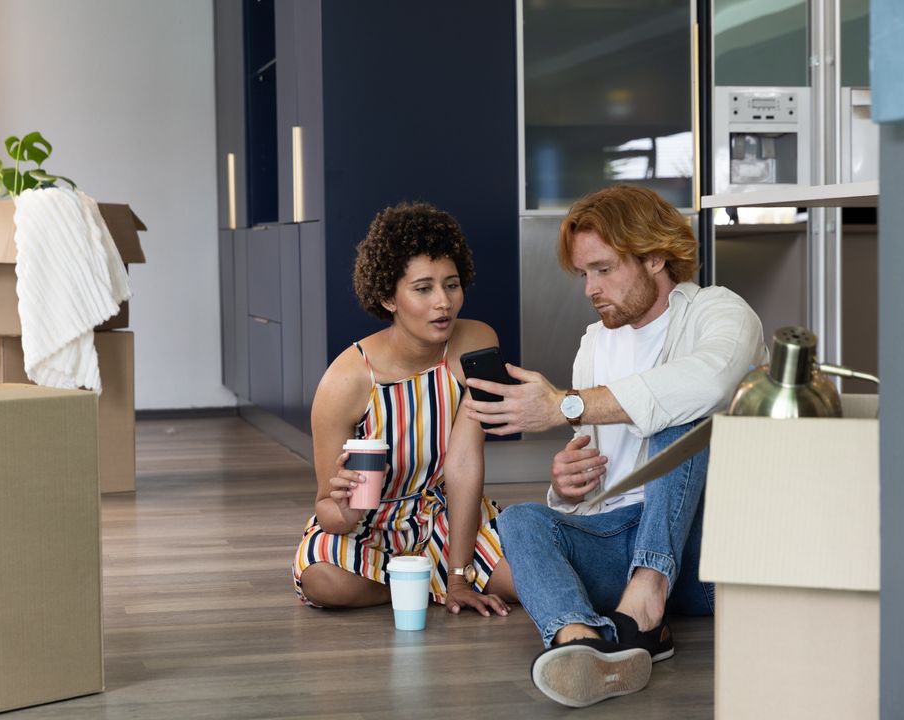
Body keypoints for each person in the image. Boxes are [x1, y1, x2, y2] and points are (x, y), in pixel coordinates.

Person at [462, 185, 768, 707]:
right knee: (520, 521)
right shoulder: (594, 345)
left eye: (603, 270)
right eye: (584, 274)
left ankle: (645, 609)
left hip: (705, 554)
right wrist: (567, 486)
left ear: (654, 256)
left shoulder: (720, 313)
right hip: (621, 538)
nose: (590, 289)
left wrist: (565, 405)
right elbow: (594, 487)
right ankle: (583, 643)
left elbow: (709, 384)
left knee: (682, 417)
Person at [293, 201, 518, 617]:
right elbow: (327, 506)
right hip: (369, 528)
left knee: (526, 577)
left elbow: (465, 464)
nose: (443, 303)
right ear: (388, 297)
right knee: (323, 580)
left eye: (451, 285)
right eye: (423, 288)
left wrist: (459, 573)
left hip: (450, 518)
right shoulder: (345, 381)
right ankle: (419, 582)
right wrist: (346, 511)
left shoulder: (475, 342)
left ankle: (427, 579)